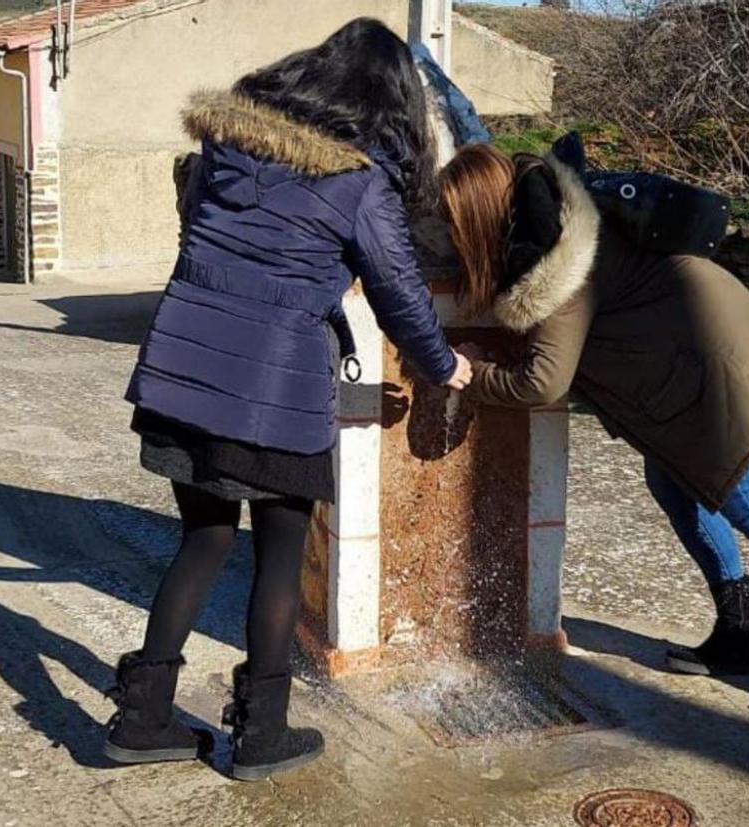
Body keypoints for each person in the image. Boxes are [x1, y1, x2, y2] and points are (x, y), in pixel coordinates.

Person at [108, 19, 472, 780]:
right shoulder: (360, 180)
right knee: (279, 554)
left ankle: (140, 719)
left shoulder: (227, 145)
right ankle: (261, 736)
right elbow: (400, 291)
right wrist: (445, 365)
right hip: (273, 390)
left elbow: (206, 245)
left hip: (184, 367)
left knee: (204, 540)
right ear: (387, 102)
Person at [437, 142, 749, 723]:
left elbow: (542, 383)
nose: (450, 236)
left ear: (480, 217)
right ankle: (741, 632)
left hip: (717, 371)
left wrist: (471, 378)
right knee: (674, 485)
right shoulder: (545, 219)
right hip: (690, 366)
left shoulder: (556, 262)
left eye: (454, 223)